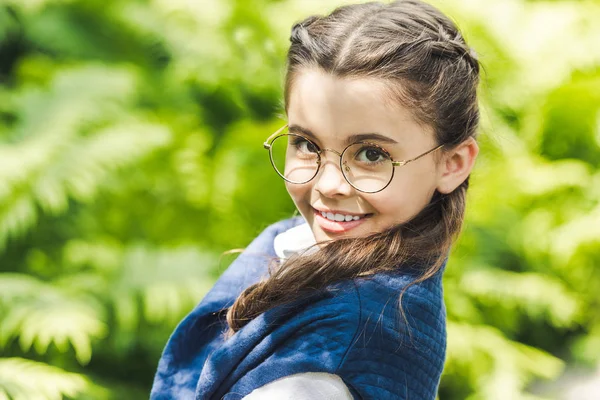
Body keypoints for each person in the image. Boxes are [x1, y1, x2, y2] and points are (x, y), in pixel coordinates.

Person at [151, 0, 480, 398]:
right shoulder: (302, 244)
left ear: (453, 163)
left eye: (371, 154)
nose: (328, 185)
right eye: (306, 144)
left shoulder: (327, 358)